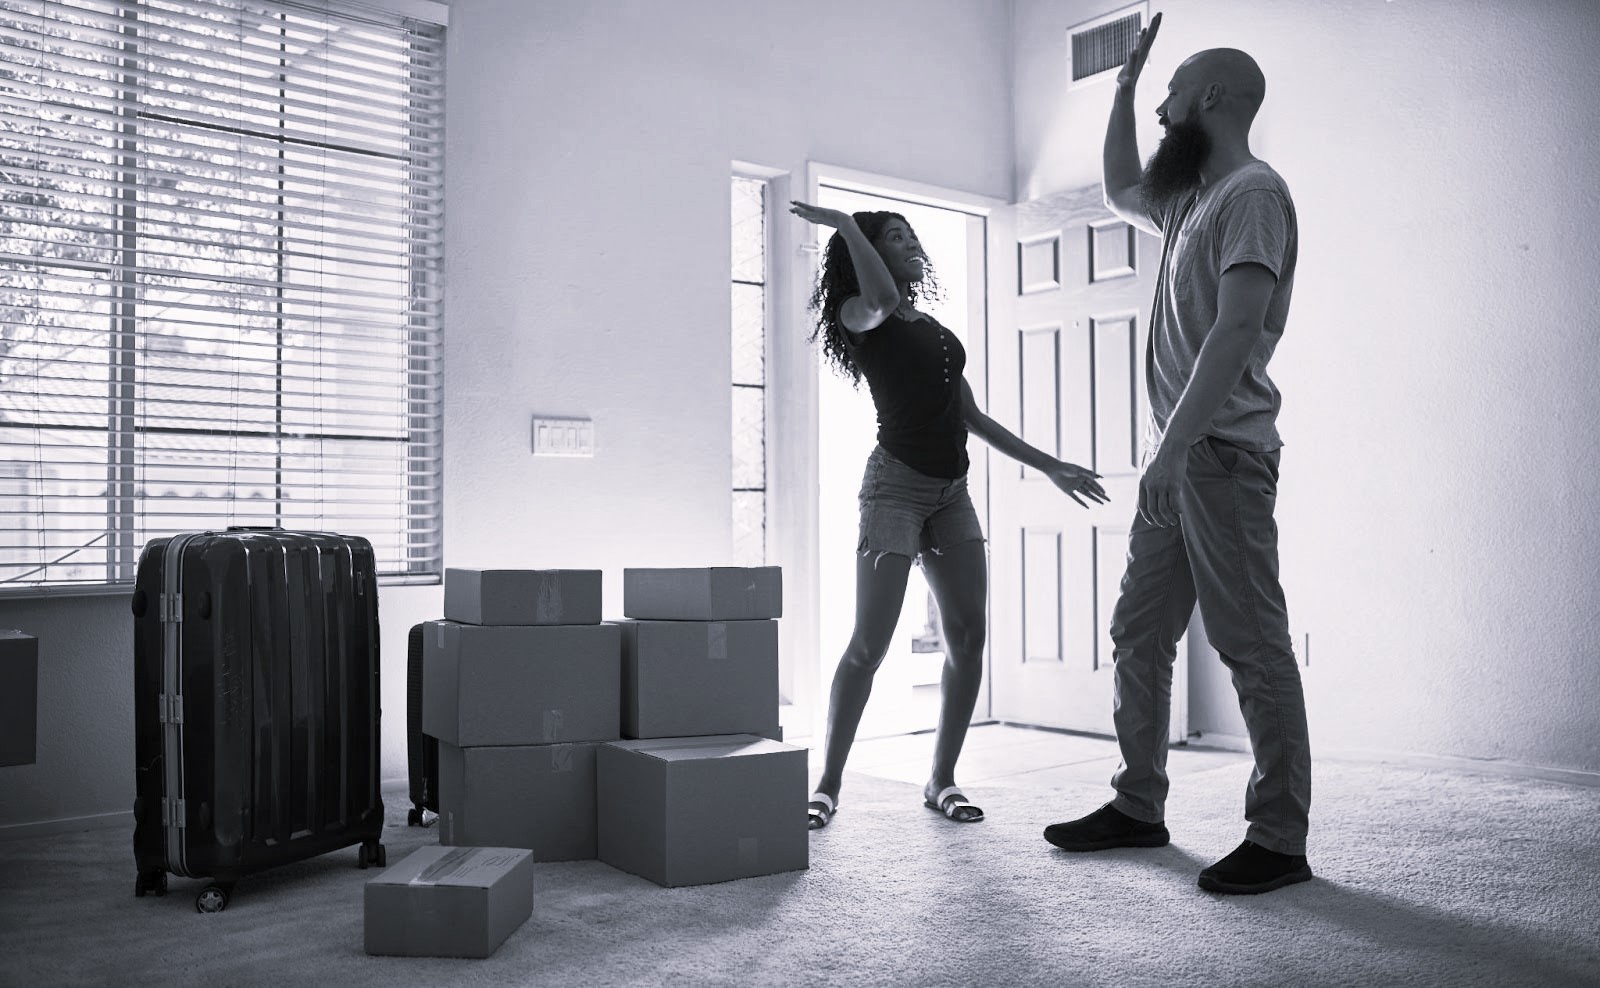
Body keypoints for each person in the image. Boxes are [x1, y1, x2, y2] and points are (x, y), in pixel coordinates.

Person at [1040, 12, 1314, 895]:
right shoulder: (1192, 201)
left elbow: (1236, 330)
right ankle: (1137, 804)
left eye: (1168, 95)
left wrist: (1175, 447)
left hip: (1220, 455)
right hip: (1182, 458)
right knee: (1139, 630)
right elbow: (1122, 186)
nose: (1161, 113)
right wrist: (1122, 90)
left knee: (1250, 643)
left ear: (1212, 98)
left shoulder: (1253, 195)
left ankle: (1279, 839)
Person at [790, 201, 1107, 830]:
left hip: (951, 494)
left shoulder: (932, 329)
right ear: (867, 253)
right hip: (894, 491)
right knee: (870, 645)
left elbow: (972, 418)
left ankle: (941, 780)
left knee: (967, 636)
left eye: (912, 236)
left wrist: (1050, 466)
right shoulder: (860, 315)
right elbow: (881, 299)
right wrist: (848, 225)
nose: (912, 245)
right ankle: (827, 785)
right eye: (896, 238)